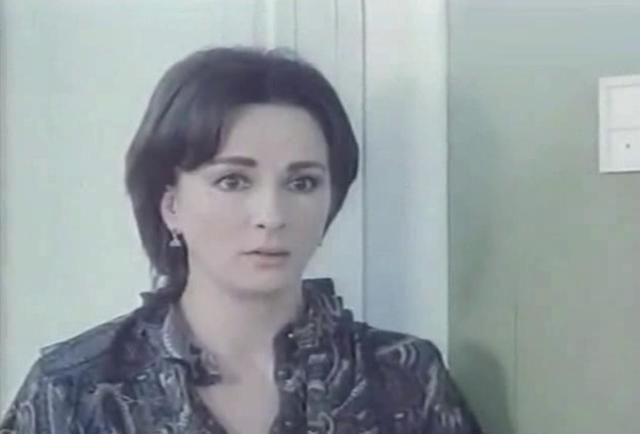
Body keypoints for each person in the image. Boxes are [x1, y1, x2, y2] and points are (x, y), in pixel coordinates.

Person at [0, 47, 482, 434]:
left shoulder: (403, 380)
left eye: (302, 183)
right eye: (233, 181)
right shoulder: (74, 392)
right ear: (171, 204)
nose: (271, 216)